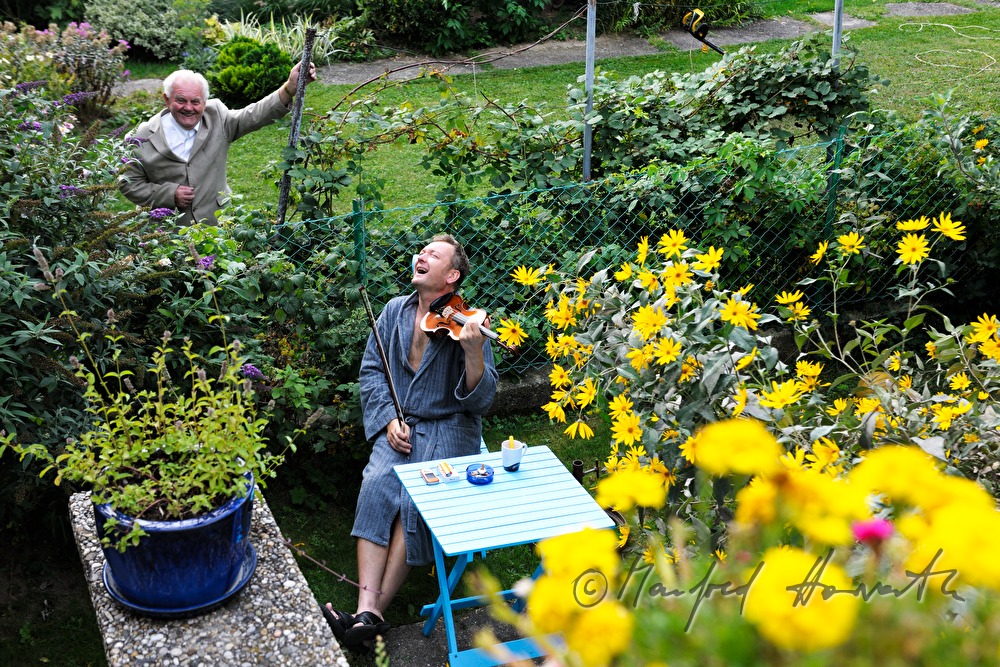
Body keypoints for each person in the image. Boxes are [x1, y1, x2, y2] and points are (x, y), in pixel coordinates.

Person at [323, 234, 498, 650]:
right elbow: (371, 370)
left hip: (449, 429)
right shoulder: (393, 311)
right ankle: (369, 608)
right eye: (422, 251)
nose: (422, 255)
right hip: (401, 425)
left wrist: (474, 353)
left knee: (414, 500)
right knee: (376, 485)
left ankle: (369, 614)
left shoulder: (467, 323)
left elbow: (482, 400)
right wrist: (387, 420)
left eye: (433, 255)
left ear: (451, 276)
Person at [118, 62, 316, 225]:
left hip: (217, 225)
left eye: (195, 102)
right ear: (166, 100)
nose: (189, 108)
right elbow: (129, 184)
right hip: (166, 234)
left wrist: (289, 88)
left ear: (205, 102)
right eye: (181, 100)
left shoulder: (217, 118)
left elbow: (254, 114)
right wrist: (169, 194)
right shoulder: (141, 136)